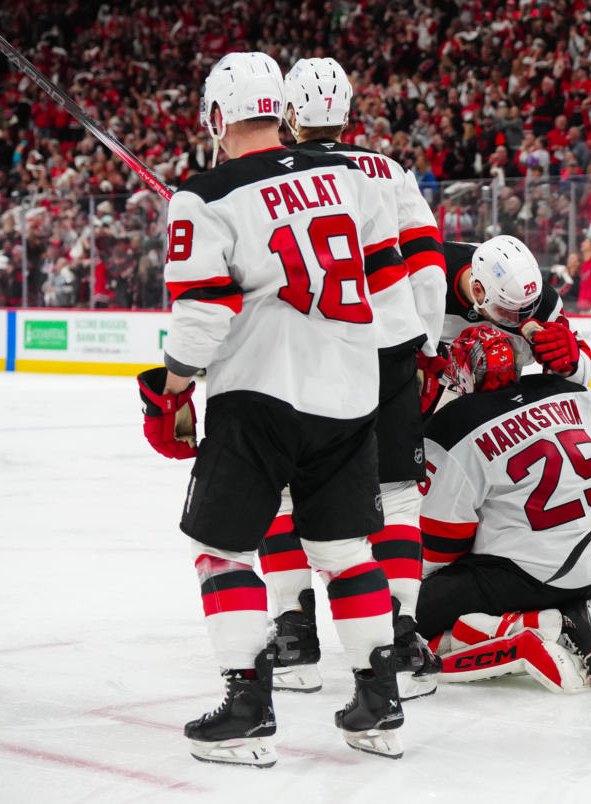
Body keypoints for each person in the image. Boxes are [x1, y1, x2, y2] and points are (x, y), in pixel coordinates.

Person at [136, 52, 406, 767]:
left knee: (222, 550)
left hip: (259, 394)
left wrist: (172, 387)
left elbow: (203, 313)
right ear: (280, 112)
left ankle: (248, 707)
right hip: (350, 392)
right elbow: (385, 276)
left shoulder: (204, 194)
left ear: (218, 118)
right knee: (347, 553)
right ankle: (380, 702)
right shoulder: (353, 177)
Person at [246, 57, 445, 700]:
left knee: (281, 492)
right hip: (386, 350)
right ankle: (403, 636)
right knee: (395, 495)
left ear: (290, 114)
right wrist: (428, 344)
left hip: (304, 353)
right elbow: (428, 264)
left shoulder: (266, 175)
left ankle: (295, 635)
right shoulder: (386, 170)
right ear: (349, 108)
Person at [417, 326, 591, 692]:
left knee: (407, 615)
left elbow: (442, 543)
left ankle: (537, 627)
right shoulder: (574, 391)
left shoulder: (453, 424)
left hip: (544, 572)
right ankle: (569, 605)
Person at [436, 235, 591, 396]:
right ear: (478, 292)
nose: (518, 320)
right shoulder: (427, 273)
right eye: (507, 309)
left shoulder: (544, 304)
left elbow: (582, 373)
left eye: (527, 308)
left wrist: (570, 367)